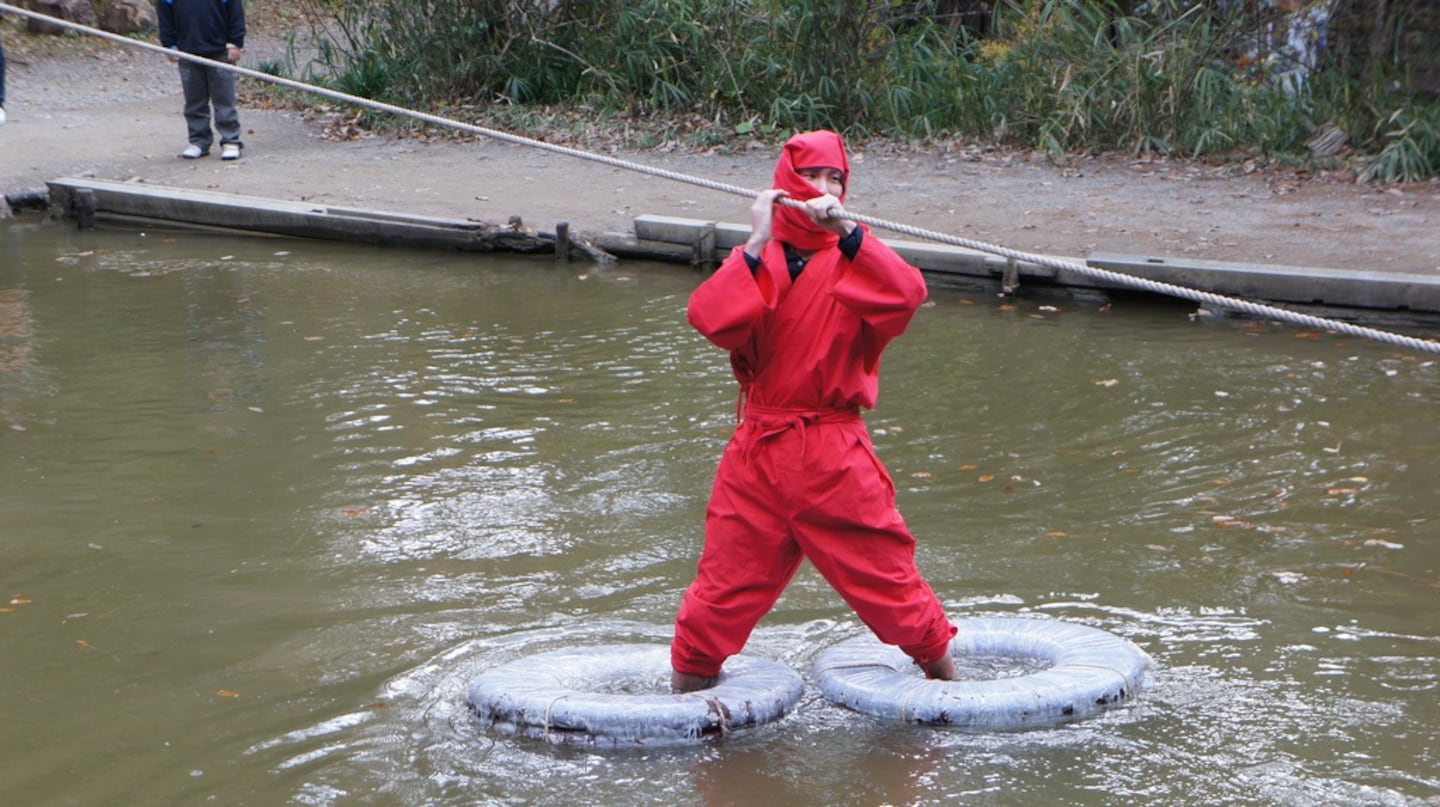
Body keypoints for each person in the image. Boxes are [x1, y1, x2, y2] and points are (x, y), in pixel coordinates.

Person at [670, 130, 958, 692]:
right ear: (784, 183)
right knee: (718, 594)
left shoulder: (858, 259)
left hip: (832, 454)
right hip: (756, 453)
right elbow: (708, 318)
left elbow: (907, 295)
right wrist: (755, 240)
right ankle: (682, 719)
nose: (823, 189)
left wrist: (849, 232)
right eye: (811, 176)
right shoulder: (757, 258)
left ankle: (956, 692)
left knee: (891, 585)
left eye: (836, 179)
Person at [156, 0, 245, 160]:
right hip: (187, 51)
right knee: (194, 100)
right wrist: (169, 45)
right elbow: (165, 18)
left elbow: (235, 13)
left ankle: (230, 140)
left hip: (219, 51)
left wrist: (235, 42)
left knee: (224, 99)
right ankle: (199, 141)